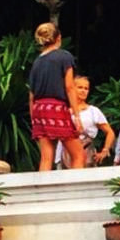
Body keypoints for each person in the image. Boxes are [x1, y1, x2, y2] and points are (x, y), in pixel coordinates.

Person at [27, 23, 84, 173]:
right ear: (59, 38)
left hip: (39, 109)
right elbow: (70, 87)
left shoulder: (37, 62)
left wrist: (34, 120)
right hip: (56, 108)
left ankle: (42, 194)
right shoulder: (64, 56)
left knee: (46, 158)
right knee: (78, 155)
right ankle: (75, 191)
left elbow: (31, 95)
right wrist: (77, 116)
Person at [57, 76, 114, 169]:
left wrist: (105, 149)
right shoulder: (64, 111)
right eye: (80, 87)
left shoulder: (93, 111)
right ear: (72, 88)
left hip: (86, 153)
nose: (83, 91)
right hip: (64, 154)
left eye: (86, 88)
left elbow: (110, 132)